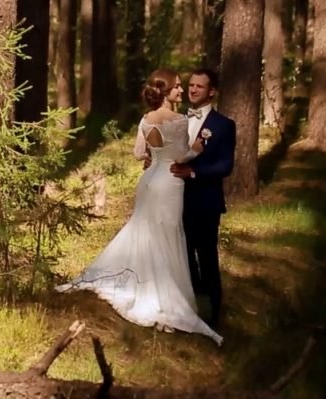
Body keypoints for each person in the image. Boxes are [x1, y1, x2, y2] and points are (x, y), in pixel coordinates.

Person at [56, 69, 222, 345]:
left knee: (144, 228)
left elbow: (137, 154)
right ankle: (161, 292)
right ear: (166, 91)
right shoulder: (178, 120)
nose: (181, 91)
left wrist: (153, 156)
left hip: (148, 181)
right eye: (178, 87)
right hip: (169, 182)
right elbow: (182, 155)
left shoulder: (146, 119)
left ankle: (135, 279)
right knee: (167, 233)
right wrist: (199, 146)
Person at [169, 68, 235, 328]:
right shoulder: (177, 120)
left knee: (206, 256)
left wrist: (194, 172)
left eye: (200, 86)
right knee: (182, 255)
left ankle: (214, 312)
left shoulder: (223, 125)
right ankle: (190, 306)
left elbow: (225, 166)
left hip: (206, 201)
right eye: (191, 85)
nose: (193, 89)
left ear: (212, 91)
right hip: (175, 200)